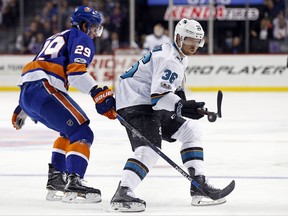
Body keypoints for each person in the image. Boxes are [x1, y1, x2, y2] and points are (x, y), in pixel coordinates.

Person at [110, 18, 233, 212]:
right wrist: (182, 107)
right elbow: (158, 98)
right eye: (190, 40)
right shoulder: (170, 59)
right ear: (178, 37)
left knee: (190, 131)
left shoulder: (177, 54)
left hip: (146, 102)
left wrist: (184, 104)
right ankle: (123, 192)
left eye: (197, 41)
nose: (194, 45)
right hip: (135, 103)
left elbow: (170, 91)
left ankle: (198, 185)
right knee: (149, 149)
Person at [11, 6, 116, 203]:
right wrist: (97, 92)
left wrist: (21, 107)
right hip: (45, 89)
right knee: (83, 133)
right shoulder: (81, 37)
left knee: (69, 133)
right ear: (84, 25)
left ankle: (57, 181)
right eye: (93, 28)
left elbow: (35, 70)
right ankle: (75, 183)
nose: (94, 33)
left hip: (29, 94)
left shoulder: (55, 37)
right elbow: (76, 73)